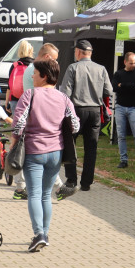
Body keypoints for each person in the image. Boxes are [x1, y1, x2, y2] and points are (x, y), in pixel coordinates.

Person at [11, 58, 80, 253]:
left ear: (44, 76)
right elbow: (75, 125)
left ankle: (39, 233)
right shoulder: (63, 98)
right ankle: (45, 234)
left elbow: (18, 125)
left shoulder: (29, 95)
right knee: (46, 196)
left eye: (34, 73)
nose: (31, 76)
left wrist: (14, 142)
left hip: (33, 152)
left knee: (33, 194)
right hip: (56, 153)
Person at [57, 39, 113, 193]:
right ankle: (87, 183)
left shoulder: (73, 68)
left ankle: (71, 180)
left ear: (79, 52)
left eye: (75, 51)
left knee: (70, 145)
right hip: (95, 111)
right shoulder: (101, 68)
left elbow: (65, 93)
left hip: (76, 110)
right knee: (91, 148)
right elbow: (108, 90)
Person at [12, 42, 61, 200]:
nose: (56, 63)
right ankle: (23, 187)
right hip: (38, 123)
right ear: (47, 57)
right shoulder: (37, 70)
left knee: (22, 150)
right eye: (54, 60)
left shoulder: (30, 68)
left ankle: (23, 187)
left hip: (31, 119)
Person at [112, 51, 135, 170]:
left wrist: (123, 85)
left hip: (133, 107)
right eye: (131, 63)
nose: (133, 65)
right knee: (121, 135)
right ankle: (123, 160)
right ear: (125, 62)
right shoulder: (118, 74)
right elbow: (115, 87)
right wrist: (131, 85)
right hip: (120, 107)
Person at [7, 39, 35, 112]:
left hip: (15, 100)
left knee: (17, 123)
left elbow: (9, 86)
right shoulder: (36, 65)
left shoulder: (15, 65)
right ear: (31, 51)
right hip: (32, 100)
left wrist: (7, 102)